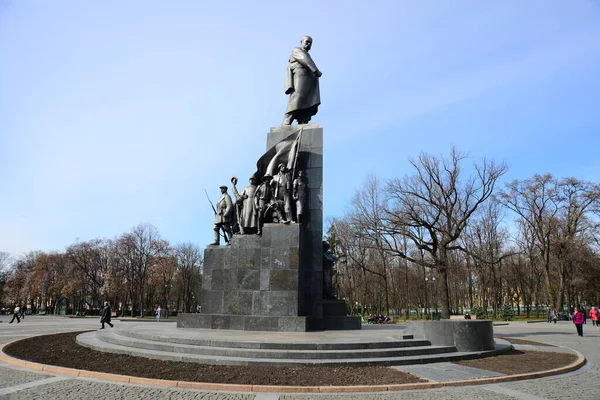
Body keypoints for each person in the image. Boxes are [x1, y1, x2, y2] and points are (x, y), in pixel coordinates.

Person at [283, 36, 322, 125]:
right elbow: (304, 59)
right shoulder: (296, 50)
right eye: (307, 42)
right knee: (298, 96)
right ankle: (287, 120)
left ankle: (303, 119)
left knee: (308, 99)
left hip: (310, 78)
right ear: (301, 42)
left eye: (310, 43)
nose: (308, 44)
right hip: (301, 75)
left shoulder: (307, 53)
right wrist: (316, 70)